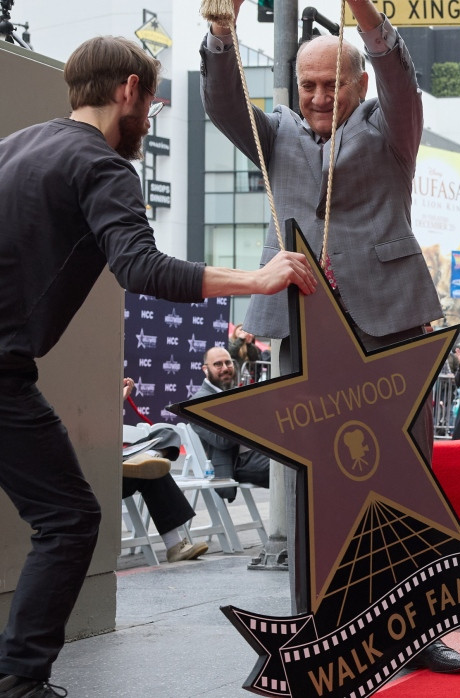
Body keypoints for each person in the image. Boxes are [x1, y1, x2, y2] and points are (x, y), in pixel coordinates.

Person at [0, 36, 315, 697]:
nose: (153, 110)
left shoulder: (16, 147)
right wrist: (257, 281)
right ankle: (20, 678)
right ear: (128, 92)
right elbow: (141, 267)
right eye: (153, 95)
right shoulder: (103, 165)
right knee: (69, 518)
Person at [202, 0, 460, 672]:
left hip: (391, 320)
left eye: (333, 83)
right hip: (304, 326)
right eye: (308, 85)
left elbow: (400, 78)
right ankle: (317, 626)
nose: (320, 96)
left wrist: (370, 17)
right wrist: (220, 32)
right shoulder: (275, 136)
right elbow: (224, 105)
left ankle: (418, 628)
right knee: (316, 480)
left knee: (405, 478)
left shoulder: (392, 129)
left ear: (359, 85)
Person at [120, 379, 210, 564]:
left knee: (167, 433)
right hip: (99, 473)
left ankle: (150, 456)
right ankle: (174, 546)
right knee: (151, 471)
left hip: (124, 464)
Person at [191, 347, 271, 501]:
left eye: (228, 363)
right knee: (292, 469)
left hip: (259, 453)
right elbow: (222, 441)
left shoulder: (235, 394)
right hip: (236, 463)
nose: (225, 368)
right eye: (218, 364)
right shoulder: (198, 402)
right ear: (205, 370)